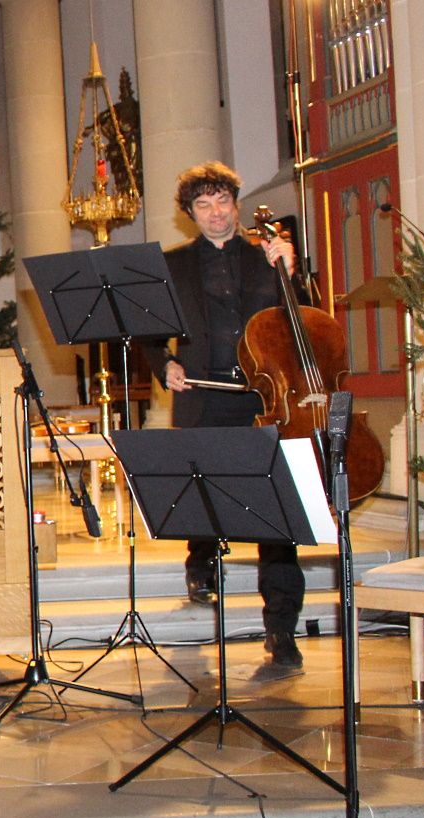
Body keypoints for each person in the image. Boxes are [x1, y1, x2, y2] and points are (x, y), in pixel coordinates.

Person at [140, 160, 306, 671]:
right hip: (204, 395)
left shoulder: (268, 257)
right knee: (203, 495)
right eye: (203, 205)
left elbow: (304, 322)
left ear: (236, 205)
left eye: (222, 202)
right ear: (190, 213)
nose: (215, 213)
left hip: (263, 397)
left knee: (277, 517)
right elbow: (148, 333)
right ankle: (201, 560)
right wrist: (165, 364)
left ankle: (281, 627)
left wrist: (291, 273)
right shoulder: (172, 265)